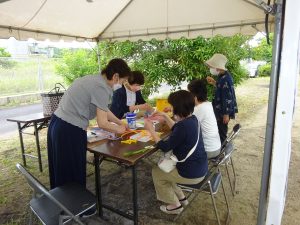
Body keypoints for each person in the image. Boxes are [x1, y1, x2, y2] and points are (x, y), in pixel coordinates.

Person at [47, 58, 131, 189]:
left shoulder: (95, 79)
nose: (123, 84)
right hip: (69, 129)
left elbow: (103, 108)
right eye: (123, 81)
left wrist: (119, 122)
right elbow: (102, 123)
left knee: (61, 168)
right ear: (115, 76)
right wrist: (119, 130)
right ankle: (73, 206)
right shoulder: (102, 87)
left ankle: (61, 204)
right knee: (70, 171)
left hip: (57, 124)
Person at [144, 90, 208, 215]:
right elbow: (177, 129)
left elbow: (164, 146)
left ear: (178, 109)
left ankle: (174, 205)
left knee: (157, 172)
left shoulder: (183, 126)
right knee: (167, 170)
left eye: (172, 106)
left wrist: (151, 130)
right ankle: (181, 198)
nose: (171, 108)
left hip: (192, 173)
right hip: (200, 167)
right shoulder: (192, 119)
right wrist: (165, 116)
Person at [205, 53, 238, 143]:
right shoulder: (222, 76)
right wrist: (214, 83)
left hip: (223, 111)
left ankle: (222, 151)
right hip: (220, 109)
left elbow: (228, 97)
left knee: (222, 132)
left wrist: (226, 114)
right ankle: (221, 148)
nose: (211, 69)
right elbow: (222, 89)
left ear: (218, 67)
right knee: (220, 130)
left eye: (212, 66)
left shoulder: (226, 79)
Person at [188, 79, 221, 159]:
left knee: (182, 147)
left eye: (189, 94)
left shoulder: (199, 109)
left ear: (194, 96)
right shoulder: (207, 104)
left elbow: (184, 124)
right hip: (216, 146)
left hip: (209, 150)